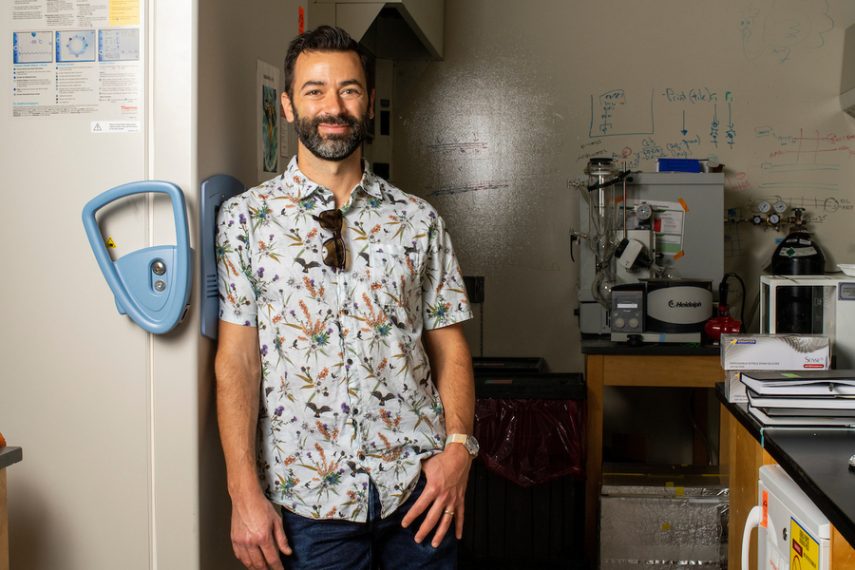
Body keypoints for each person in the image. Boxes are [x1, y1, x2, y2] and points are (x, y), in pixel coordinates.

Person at [215, 25, 477, 570]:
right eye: (314, 91)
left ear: (369, 100)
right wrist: (243, 495)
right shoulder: (246, 221)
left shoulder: (417, 219)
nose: (332, 106)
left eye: (349, 90)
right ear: (287, 105)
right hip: (307, 505)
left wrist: (458, 452)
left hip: (418, 496)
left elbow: (450, 350)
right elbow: (236, 362)